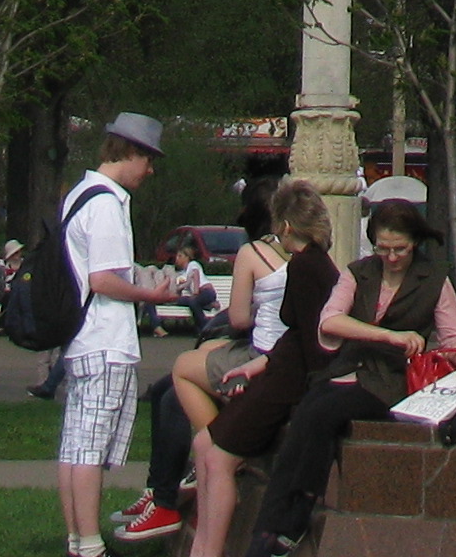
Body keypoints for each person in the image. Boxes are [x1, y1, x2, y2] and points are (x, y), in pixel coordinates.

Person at [239, 198, 456, 557]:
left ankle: (289, 517)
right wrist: (390, 336)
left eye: (400, 248)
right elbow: (330, 320)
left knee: (319, 414)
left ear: (414, 243)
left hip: (389, 381)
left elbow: (453, 339)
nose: (392, 257)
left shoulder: (435, 280)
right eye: (383, 248)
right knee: (307, 413)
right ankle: (272, 523)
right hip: (347, 369)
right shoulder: (359, 272)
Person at [110, 179, 319, 548]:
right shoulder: (315, 264)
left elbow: (242, 320)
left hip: (270, 359)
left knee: (181, 375)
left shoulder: (261, 256)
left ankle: (179, 483)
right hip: (275, 357)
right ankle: (173, 496)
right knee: (187, 390)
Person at [187, 186, 341, 557]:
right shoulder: (319, 264)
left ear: (287, 227)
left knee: (218, 456)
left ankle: (209, 550)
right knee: (204, 443)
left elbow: (310, 344)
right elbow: (303, 332)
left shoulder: (305, 267)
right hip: (281, 370)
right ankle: (202, 547)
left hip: (288, 383)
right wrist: (263, 362)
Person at [56, 112, 180, 557]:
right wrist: (151, 296)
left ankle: (78, 539)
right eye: (148, 159)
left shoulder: (78, 195)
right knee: (89, 450)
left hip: (81, 338)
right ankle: (90, 546)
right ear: (131, 152)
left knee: (75, 447)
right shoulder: (107, 203)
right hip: (105, 338)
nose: (150, 171)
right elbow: (103, 280)